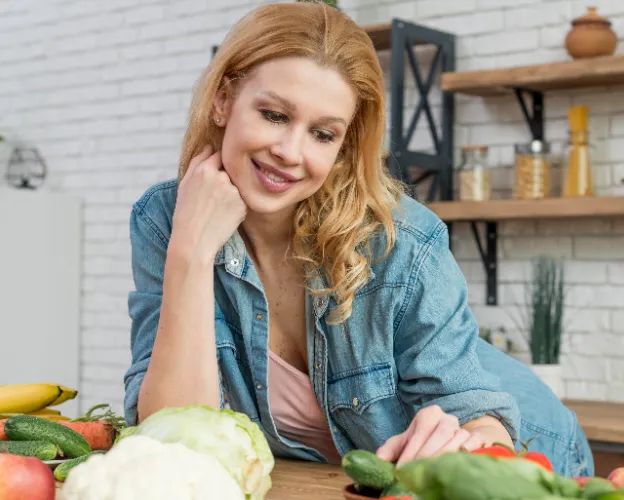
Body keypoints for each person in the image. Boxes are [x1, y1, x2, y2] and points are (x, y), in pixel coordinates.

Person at [123, 2, 593, 477]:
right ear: (223, 100)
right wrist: (191, 251)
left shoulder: (402, 239)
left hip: (535, 448)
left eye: (322, 134)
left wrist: (466, 438)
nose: (291, 153)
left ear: (344, 144)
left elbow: (469, 405)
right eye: (274, 115)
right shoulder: (165, 220)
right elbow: (170, 444)